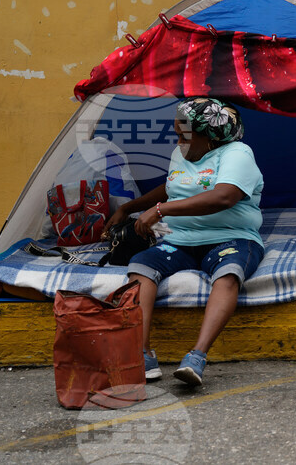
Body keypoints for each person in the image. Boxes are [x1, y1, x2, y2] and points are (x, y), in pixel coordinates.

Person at [102, 97, 264, 387]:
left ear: (210, 136)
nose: (177, 141)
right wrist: (129, 208)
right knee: (141, 268)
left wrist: (162, 210)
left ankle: (196, 357)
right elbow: (172, 185)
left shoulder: (238, 153)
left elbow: (224, 196)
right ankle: (141, 355)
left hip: (230, 237)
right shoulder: (182, 153)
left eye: (183, 135)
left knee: (227, 275)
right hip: (178, 240)